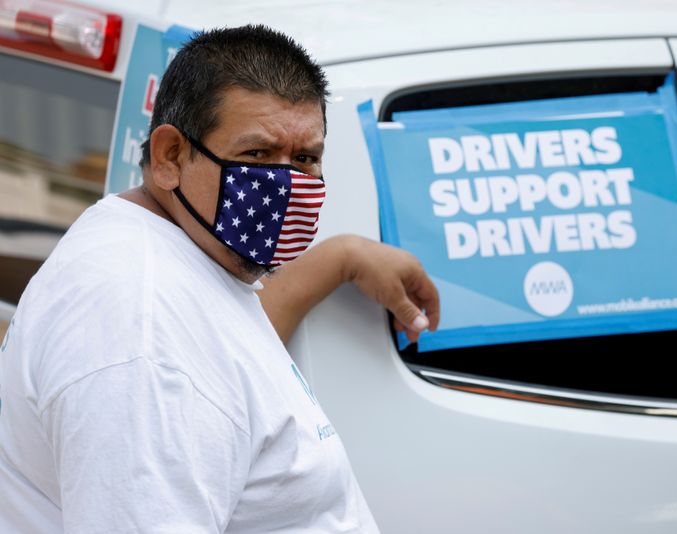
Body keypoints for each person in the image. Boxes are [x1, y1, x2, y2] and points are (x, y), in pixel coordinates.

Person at [0, 25, 439, 533]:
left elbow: (220, 366)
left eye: (305, 159)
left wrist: (341, 258)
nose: (287, 186)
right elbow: (176, 368)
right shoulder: (141, 337)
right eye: (255, 155)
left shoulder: (183, 255)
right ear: (170, 157)